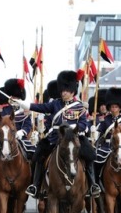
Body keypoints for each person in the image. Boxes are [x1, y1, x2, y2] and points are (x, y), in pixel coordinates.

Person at [14, 70, 101, 199]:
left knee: (89, 155)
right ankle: (36, 185)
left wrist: (73, 127)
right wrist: (24, 104)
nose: (63, 92)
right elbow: (41, 107)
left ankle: (93, 184)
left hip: (74, 137)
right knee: (39, 154)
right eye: (62, 90)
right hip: (56, 137)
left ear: (72, 90)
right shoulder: (55, 104)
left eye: (66, 90)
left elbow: (83, 124)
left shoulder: (79, 107)